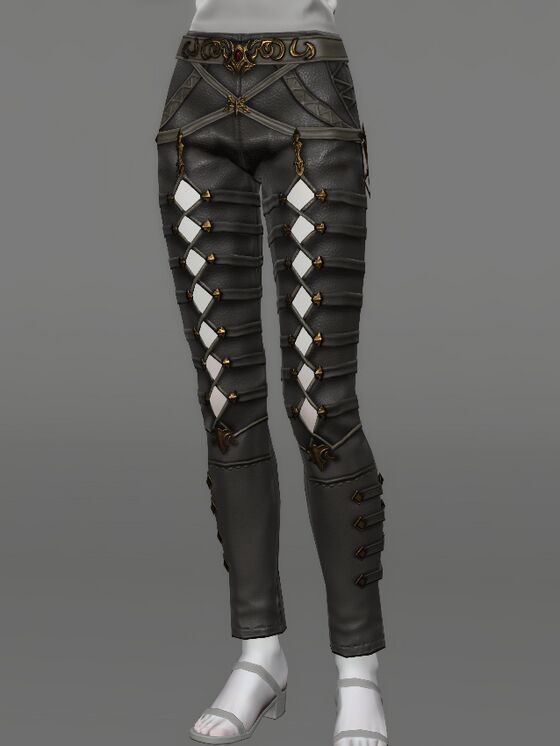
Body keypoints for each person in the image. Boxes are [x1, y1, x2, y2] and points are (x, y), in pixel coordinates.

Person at [155, 1, 389, 743]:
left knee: (323, 402)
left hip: (307, 90)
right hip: (194, 93)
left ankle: (358, 672)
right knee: (225, 399)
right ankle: (260, 656)